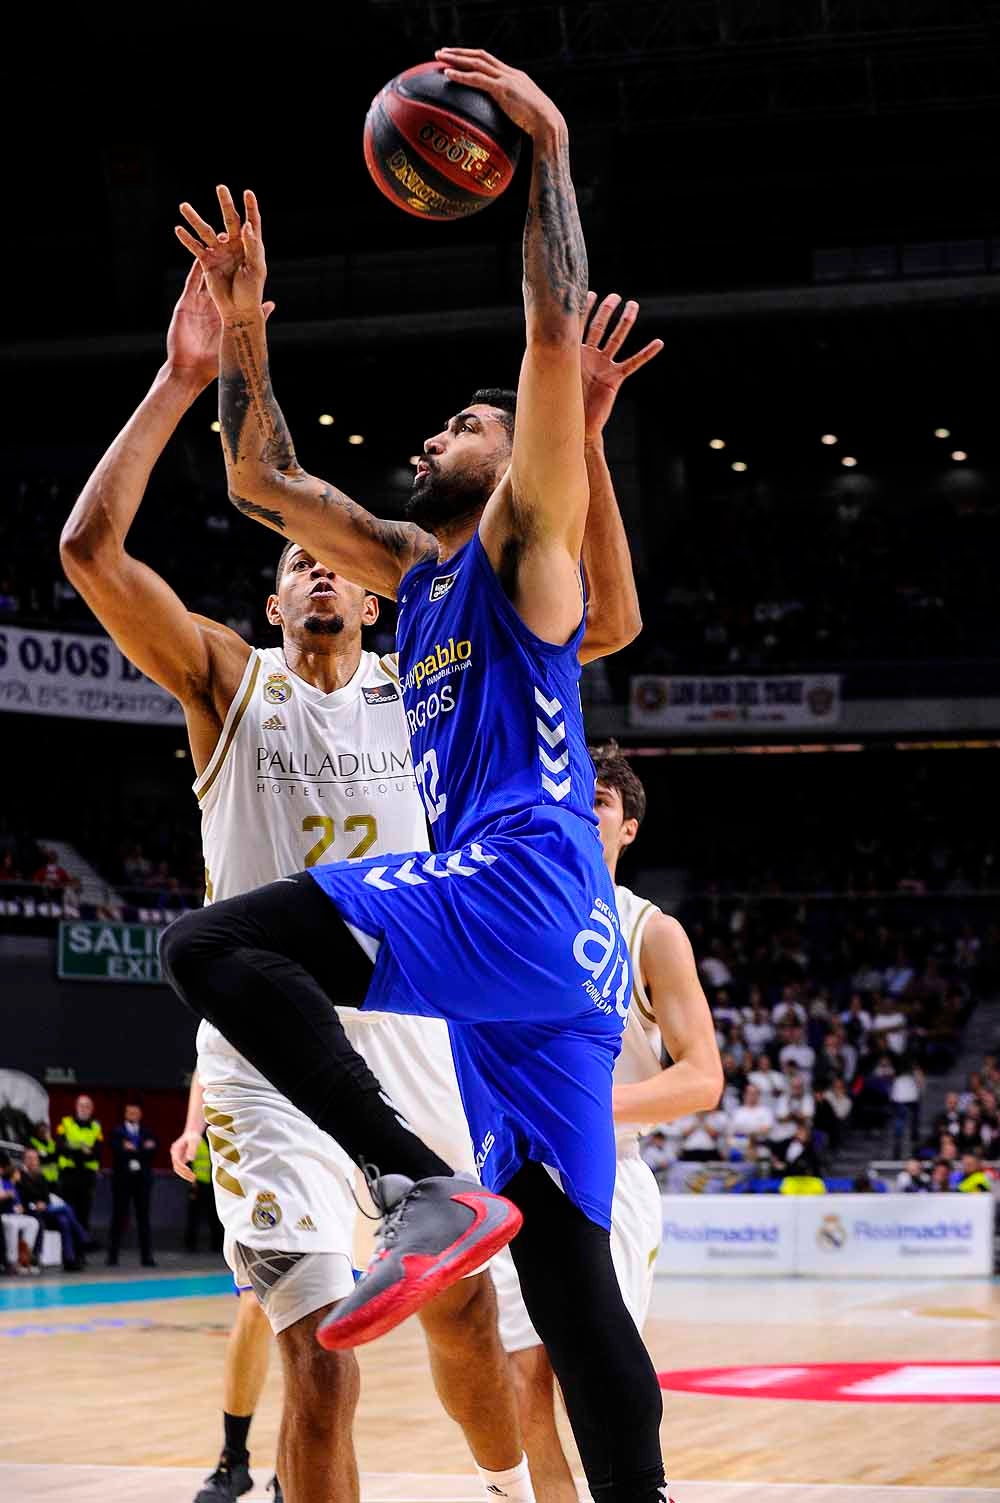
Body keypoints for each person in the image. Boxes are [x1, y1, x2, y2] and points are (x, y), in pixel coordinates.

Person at [63, 163, 660, 1503]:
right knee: (551, 1285)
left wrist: (551, 146)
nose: (443, 428)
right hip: (471, 963)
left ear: (522, 466)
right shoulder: (364, 605)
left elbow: (554, 353)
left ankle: (440, 1266)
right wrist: (243, 324)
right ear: (279, 603)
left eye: (471, 423)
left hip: (479, 925)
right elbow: (260, 474)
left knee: (215, 947)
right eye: (295, 569)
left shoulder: (506, 554)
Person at [492, 742, 721, 1502]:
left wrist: (582, 1111)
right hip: (512, 1180)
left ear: (627, 829)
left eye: (598, 803)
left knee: (585, 1374)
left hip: (607, 1175)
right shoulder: (509, 913)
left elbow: (702, 1078)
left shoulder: (651, 931)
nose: (580, 814)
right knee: (523, 1375)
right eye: (570, 798)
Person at [13, 1148, 87, 1271]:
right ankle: (82, 1235)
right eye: (29, 1158)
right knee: (65, 1208)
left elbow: (46, 1196)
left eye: (35, 1159)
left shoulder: (40, 1175)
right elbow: (23, 1195)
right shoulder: (19, 1175)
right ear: (24, 1160)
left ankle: (69, 1260)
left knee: (64, 1220)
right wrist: (37, 1203)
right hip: (29, 1211)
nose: (33, 1161)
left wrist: (43, 1202)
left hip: (45, 1209)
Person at [107, 1101, 158, 1267]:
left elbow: (153, 1149)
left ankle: (147, 1257)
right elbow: (117, 1150)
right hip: (123, 1181)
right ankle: (112, 1257)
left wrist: (134, 1149)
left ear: (140, 1114)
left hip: (142, 1181)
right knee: (118, 1218)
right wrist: (139, 1149)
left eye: (135, 1113)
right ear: (125, 1114)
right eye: (129, 1113)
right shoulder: (117, 1131)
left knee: (144, 1219)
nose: (132, 1115)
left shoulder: (147, 1131)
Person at [55, 1095, 103, 1241]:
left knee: (84, 1213)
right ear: (76, 1107)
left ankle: (81, 1251)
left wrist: (74, 1147)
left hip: (87, 1176)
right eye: (81, 1105)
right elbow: (61, 1147)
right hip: (68, 1175)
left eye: (87, 1106)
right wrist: (82, 1149)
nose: (84, 1109)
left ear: (92, 1109)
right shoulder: (65, 1123)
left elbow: (97, 1152)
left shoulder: (96, 1127)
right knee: (68, 1212)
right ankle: (68, 1252)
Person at [0, 1157, 40, 1275]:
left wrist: (20, 1208)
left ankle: (25, 1257)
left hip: (15, 1216)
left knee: (33, 1222)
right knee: (12, 1225)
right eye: (18, 1173)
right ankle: (12, 1261)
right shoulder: (3, 1183)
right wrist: (7, 1195)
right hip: (5, 1216)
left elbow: (18, 1206)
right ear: (13, 1173)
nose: (20, 1175)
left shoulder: (16, 1187)